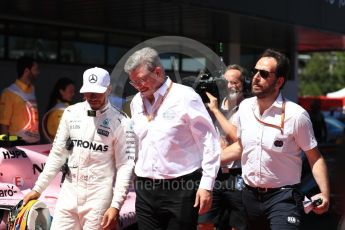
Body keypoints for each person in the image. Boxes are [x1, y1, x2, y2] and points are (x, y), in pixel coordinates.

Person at [222, 49, 330, 230]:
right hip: (248, 196)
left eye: (263, 74)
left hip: (283, 198)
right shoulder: (245, 108)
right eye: (255, 71)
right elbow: (241, 147)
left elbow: (315, 157)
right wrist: (206, 161)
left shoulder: (296, 115)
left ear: (279, 81)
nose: (256, 77)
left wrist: (325, 194)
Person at [23, 67, 135, 229]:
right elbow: (57, 154)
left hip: (99, 196)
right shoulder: (71, 113)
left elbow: (125, 165)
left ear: (108, 89)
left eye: (97, 92)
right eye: (88, 92)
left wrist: (116, 205)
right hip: (69, 192)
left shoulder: (121, 122)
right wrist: (38, 189)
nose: (92, 97)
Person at [124, 47, 220, 230]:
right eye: (133, 82)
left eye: (141, 80)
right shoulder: (137, 101)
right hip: (145, 188)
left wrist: (207, 185)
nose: (138, 87)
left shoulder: (185, 97)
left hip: (181, 188)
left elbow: (210, 141)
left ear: (158, 72)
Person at [198, 65, 248, 230]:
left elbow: (236, 137)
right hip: (214, 173)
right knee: (204, 222)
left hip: (238, 176)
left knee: (237, 225)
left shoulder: (248, 107)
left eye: (235, 82)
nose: (231, 86)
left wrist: (215, 111)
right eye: (227, 82)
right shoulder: (214, 104)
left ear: (243, 84)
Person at [0, 56, 40, 144]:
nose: (38, 72)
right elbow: (3, 124)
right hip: (16, 142)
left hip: (34, 143)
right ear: (26, 71)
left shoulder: (32, 89)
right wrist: (6, 147)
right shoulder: (9, 92)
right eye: (35, 69)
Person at [42, 77, 76, 142]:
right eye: (71, 91)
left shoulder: (60, 108)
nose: (73, 94)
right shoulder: (59, 111)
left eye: (74, 91)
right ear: (61, 91)